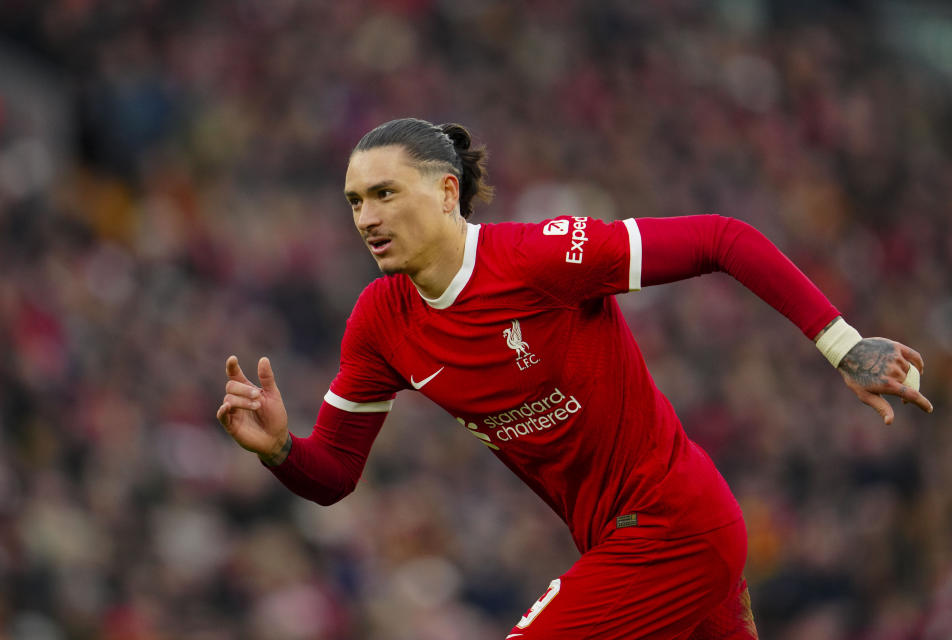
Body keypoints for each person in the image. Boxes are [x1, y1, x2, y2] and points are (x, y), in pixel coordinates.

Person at [216, 118, 933, 639]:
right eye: (354, 202)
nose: (366, 218)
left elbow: (722, 237)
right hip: (623, 544)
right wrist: (280, 449)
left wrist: (842, 344)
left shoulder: (541, 259)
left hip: (675, 526)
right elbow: (335, 473)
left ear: (444, 192)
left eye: (384, 194)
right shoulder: (381, 321)